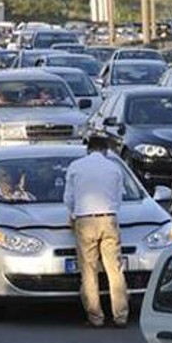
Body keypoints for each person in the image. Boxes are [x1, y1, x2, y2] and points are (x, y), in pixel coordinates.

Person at [63, 136, 128, 329]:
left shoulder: (75, 166)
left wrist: (73, 214)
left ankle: (96, 317)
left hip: (84, 219)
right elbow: (118, 199)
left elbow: (68, 198)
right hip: (109, 217)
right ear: (105, 150)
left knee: (89, 270)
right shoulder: (114, 168)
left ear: (88, 149)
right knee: (114, 269)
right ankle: (120, 315)